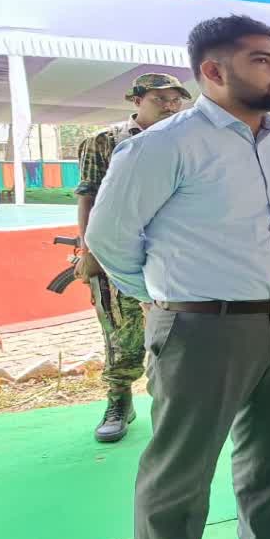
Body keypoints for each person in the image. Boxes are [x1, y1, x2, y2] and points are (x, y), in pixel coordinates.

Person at [86, 15, 270, 539]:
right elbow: (109, 240)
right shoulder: (163, 145)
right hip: (200, 329)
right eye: (263, 60)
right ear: (213, 70)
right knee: (180, 479)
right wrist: (171, 297)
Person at [73, 72, 189, 443]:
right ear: (136, 100)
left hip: (174, 255)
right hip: (118, 255)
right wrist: (88, 251)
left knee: (176, 332)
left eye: (176, 101)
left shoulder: (188, 140)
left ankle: (172, 403)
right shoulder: (104, 142)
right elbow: (88, 198)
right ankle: (119, 399)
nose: (170, 107)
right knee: (120, 331)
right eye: (160, 100)